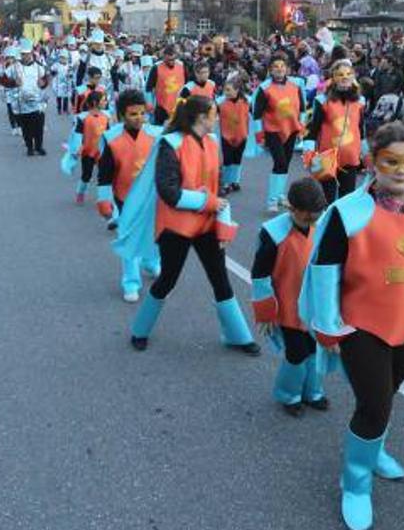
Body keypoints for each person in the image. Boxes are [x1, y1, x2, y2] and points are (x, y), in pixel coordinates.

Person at [299, 122, 404, 530]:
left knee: (387, 394)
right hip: (362, 326)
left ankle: (373, 452)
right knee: (375, 406)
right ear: (373, 162)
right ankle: (355, 483)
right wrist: (328, 326)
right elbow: (325, 269)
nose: (402, 169)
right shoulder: (348, 212)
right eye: (391, 161)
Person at [116, 96, 258, 353]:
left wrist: (223, 224)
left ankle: (239, 337)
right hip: (176, 228)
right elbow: (168, 192)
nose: (217, 118)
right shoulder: (170, 144)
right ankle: (140, 330)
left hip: (206, 226)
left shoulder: (213, 143)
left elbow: (219, 190)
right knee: (167, 280)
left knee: (220, 279)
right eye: (214, 113)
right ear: (201, 117)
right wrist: (208, 202)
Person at [251, 177, 330, 416]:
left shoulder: (324, 226)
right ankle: (289, 394)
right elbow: (260, 275)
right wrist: (265, 313)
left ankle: (312, 391)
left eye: (317, 214)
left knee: (316, 351)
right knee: (296, 354)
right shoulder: (273, 234)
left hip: (316, 307)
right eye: (307, 216)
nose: (312, 220)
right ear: (292, 208)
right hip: (288, 307)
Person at [96, 89, 162, 302]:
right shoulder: (111, 138)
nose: (139, 118)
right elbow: (104, 174)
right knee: (128, 238)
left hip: (152, 196)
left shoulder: (156, 134)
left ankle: (151, 262)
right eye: (133, 114)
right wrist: (104, 200)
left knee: (154, 234)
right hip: (124, 198)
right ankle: (131, 282)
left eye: (142, 113)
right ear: (122, 115)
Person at [303, 59, 366, 203]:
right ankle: (327, 225)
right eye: (340, 74)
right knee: (327, 200)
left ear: (353, 77)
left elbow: (361, 130)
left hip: (350, 158)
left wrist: (366, 155)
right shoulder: (322, 100)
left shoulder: (360, 101)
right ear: (333, 78)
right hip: (327, 158)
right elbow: (312, 129)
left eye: (348, 74)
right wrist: (309, 154)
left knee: (346, 201)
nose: (345, 77)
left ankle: (340, 226)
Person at [253, 55, 306, 213]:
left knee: (286, 164)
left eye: (282, 66)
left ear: (287, 68)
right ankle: (272, 200)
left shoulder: (296, 85)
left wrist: (301, 129)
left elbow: (302, 109)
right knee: (280, 163)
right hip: (273, 130)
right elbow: (256, 114)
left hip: (291, 129)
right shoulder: (264, 88)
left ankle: (280, 194)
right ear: (270, 70)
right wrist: (259, 135)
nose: (279, 69)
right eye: (276, 66)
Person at [62, 89, 110, 206]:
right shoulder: (83, 118)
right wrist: (78, 148)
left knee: (105, 175)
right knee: (86, 175)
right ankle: (80, 192)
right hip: (88, 151)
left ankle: (104, 198)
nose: (106, 102)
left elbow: (109, 133)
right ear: (95, 103)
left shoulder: (107, 116)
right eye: (103, 100)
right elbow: (78, 134)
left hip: (102, 151)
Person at [5, 42, 49, 157]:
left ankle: (39, 147)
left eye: (28, 54)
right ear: (20, 54)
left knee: (38, 127)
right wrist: (13, 82)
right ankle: (29, 147)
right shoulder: (14, 68)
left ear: (31, 53)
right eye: (23, 54)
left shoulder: (39, 67)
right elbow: (3, 80)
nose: (26, 56)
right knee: (26, 128)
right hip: (22, 103)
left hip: (37, 102)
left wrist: (43, 83)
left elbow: (46, 80)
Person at [216, 73, 251, 195]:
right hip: (226, 136)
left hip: (242, 136)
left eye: (229, 90)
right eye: (225, 90)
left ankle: (234, 181)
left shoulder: (247, 101)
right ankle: (225, 183)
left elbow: (256, 116)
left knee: (237, 159)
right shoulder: (220, 102)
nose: (226, 92)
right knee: (228, 160)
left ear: (237, 90)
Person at [145, 46, 186, 126]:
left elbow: (187, 85)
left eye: (173, 59)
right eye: (169, 60)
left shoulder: (181, 65)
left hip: (179, 107)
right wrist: (149, 103)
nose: (171, 62)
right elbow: (148, 88)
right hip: (162, 108)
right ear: (164, 57)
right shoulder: (156, 67)